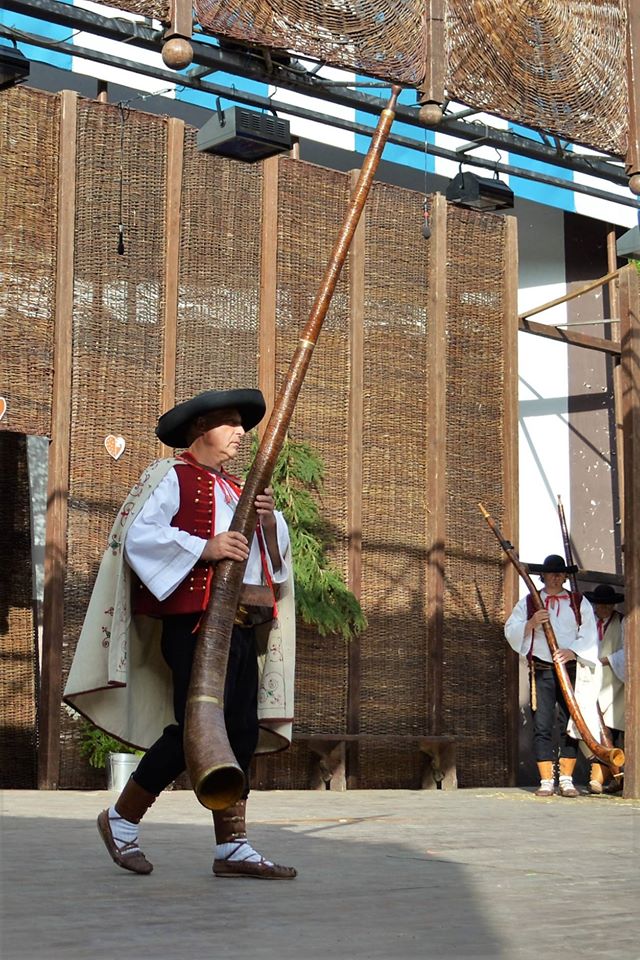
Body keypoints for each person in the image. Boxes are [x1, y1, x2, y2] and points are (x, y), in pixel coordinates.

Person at [64, 388, 297, 879]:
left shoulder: (239, 489)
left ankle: (232, 846)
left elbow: (270, 563)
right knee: (195, 729)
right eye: (230, 422)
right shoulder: (171, 475)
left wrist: (268, 522)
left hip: (238, 627)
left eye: (242, 425)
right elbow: (140, 536)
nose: (241, 433)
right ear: (200, 429)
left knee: (240, 730)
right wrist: (205, 547)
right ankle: (121, 819)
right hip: (194, 625)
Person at [504, 554, 601, 798]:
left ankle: (566, 780)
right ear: (543, 576)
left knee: (571, 723)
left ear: (565, 576)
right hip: (542, 669)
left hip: (570, 669)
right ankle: (546, 780)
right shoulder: (529, 602)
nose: (556, 577)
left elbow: (589, 633)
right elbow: (510, 629)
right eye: (551, 573)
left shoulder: (578, 602)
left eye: (560, 573)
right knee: (542, 723)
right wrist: (531, 623)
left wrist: (573, 651)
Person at [583, 583, 625, 795]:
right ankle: (609, 776)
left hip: (614, 683)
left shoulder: (623, 622)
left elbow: (629, 651)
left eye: (608, 605)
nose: (605, 609)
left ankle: (604, 777)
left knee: (610, 729)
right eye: (601, 605)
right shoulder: (588, 622)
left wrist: (606, 660)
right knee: (591, 729)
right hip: (590, 681)